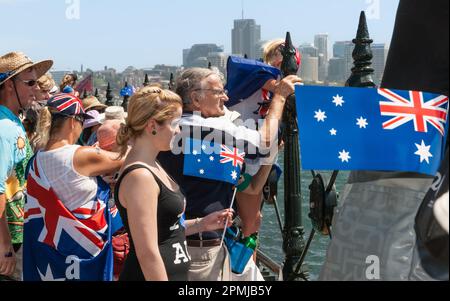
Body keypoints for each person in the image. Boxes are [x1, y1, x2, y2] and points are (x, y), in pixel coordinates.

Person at [158, 67, 301, 281]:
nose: (226, 96)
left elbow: (251, 187)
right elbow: (264, 141)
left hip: (177, 243)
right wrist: (279, 96)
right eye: (218, 92)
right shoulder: (207, 131)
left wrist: (269, 158)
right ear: (196, 99)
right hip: (199, 252)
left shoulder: (183, 136)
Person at [114, 86, 233, 281]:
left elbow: (164, 230)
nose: (178, 130)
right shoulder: (140, 177)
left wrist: (201, 224)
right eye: (175, 123)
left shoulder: (153, 165)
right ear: (153, 126)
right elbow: (147, 253)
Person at [23, 93, 126, 281]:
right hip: (83, 256)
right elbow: (128, 159)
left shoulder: (36, 160)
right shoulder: (81, 155)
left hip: (48, 257)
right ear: (72, 122)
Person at [0, 51, 53, 280]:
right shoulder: (5, 128)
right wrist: (4, 247)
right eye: (30, 82)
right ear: (9, 85)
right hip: (11, 238)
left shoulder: (13, 121)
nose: (35, 88)